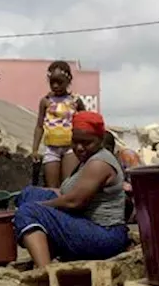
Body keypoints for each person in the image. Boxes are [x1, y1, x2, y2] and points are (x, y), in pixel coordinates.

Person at [13, 111, 130, 269]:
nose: (79, 148)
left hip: (105, 235)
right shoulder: (86, 160)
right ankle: (46, 248)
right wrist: (38, 198)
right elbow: (64, 192)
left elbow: (74, 202)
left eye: (87, 143)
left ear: (100, 141)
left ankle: (46, 274)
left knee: (29, 212)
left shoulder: (99, 163)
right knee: (28, 194)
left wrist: (42, 207)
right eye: (75, 142)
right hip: (88, 225)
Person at [33, 60, 86, 187]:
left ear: (68, 81)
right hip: (51, 148)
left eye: (59, 82)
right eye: (52, 82)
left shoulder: (75, 101)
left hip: (70, 148)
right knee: (52, 188)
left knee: (68, 186)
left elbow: (85, 123)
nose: (55, 86)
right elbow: (39, 126)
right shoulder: (45, 101)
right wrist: (34, 149)